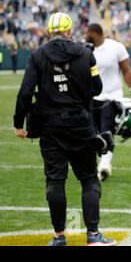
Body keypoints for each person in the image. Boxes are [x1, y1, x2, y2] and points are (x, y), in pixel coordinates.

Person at [13, 12, 116, 246]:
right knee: (89, 179)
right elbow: (97, 88)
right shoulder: (86, 53)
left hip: (50, 127)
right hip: (80, 125)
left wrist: (19, 123)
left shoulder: (38, 55)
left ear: (50, 32)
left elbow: (25, 92)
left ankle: (59, 236)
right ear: (69, 31)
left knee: (55, 182)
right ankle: (93, 235)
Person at [85, 23, 131, 181]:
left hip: (112, 97)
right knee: (91, 133)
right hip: (92, 98)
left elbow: (126, 69)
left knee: (106, 130)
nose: (85, 35)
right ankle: (94, 164)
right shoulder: (85, 49)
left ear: (95, 33)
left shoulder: (116, 47)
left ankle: (105, 164)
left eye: (87, 33)